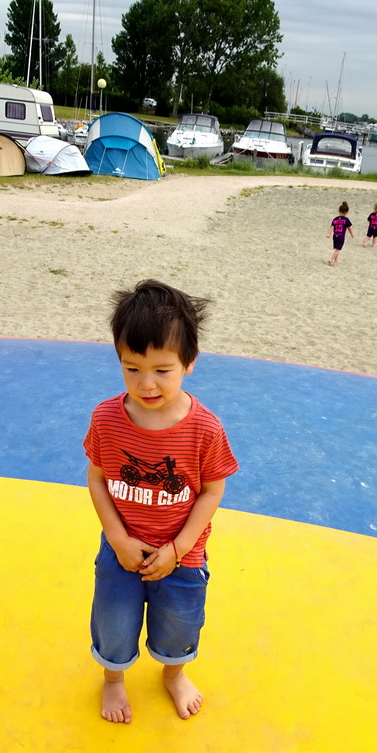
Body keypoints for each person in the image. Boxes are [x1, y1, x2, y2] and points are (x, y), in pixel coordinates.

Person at [83, 279, 239, 724]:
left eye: (161, 370)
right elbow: (96, 476)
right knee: (113, 622)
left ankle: (173, 674)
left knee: (179, 625)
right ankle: (113, 680)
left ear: (188, 363)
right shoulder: (107, 418)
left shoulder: (205, 429)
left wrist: (178, 549)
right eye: (132, 369)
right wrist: (117, 538)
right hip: (122, 549)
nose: (146, 384)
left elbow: (212, 489)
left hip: (183, 555)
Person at [326, 201, 353, 266]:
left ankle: (336, 260)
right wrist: (352, 234)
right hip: (341, 236)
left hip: (335, 235)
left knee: (337, 248)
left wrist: (329, 234)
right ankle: (331, 259)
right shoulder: (346, 220)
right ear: (346, 212)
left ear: (339, 211)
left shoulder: (335, 219)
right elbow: (349, 227)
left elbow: (331, 227)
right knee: (338, 249)